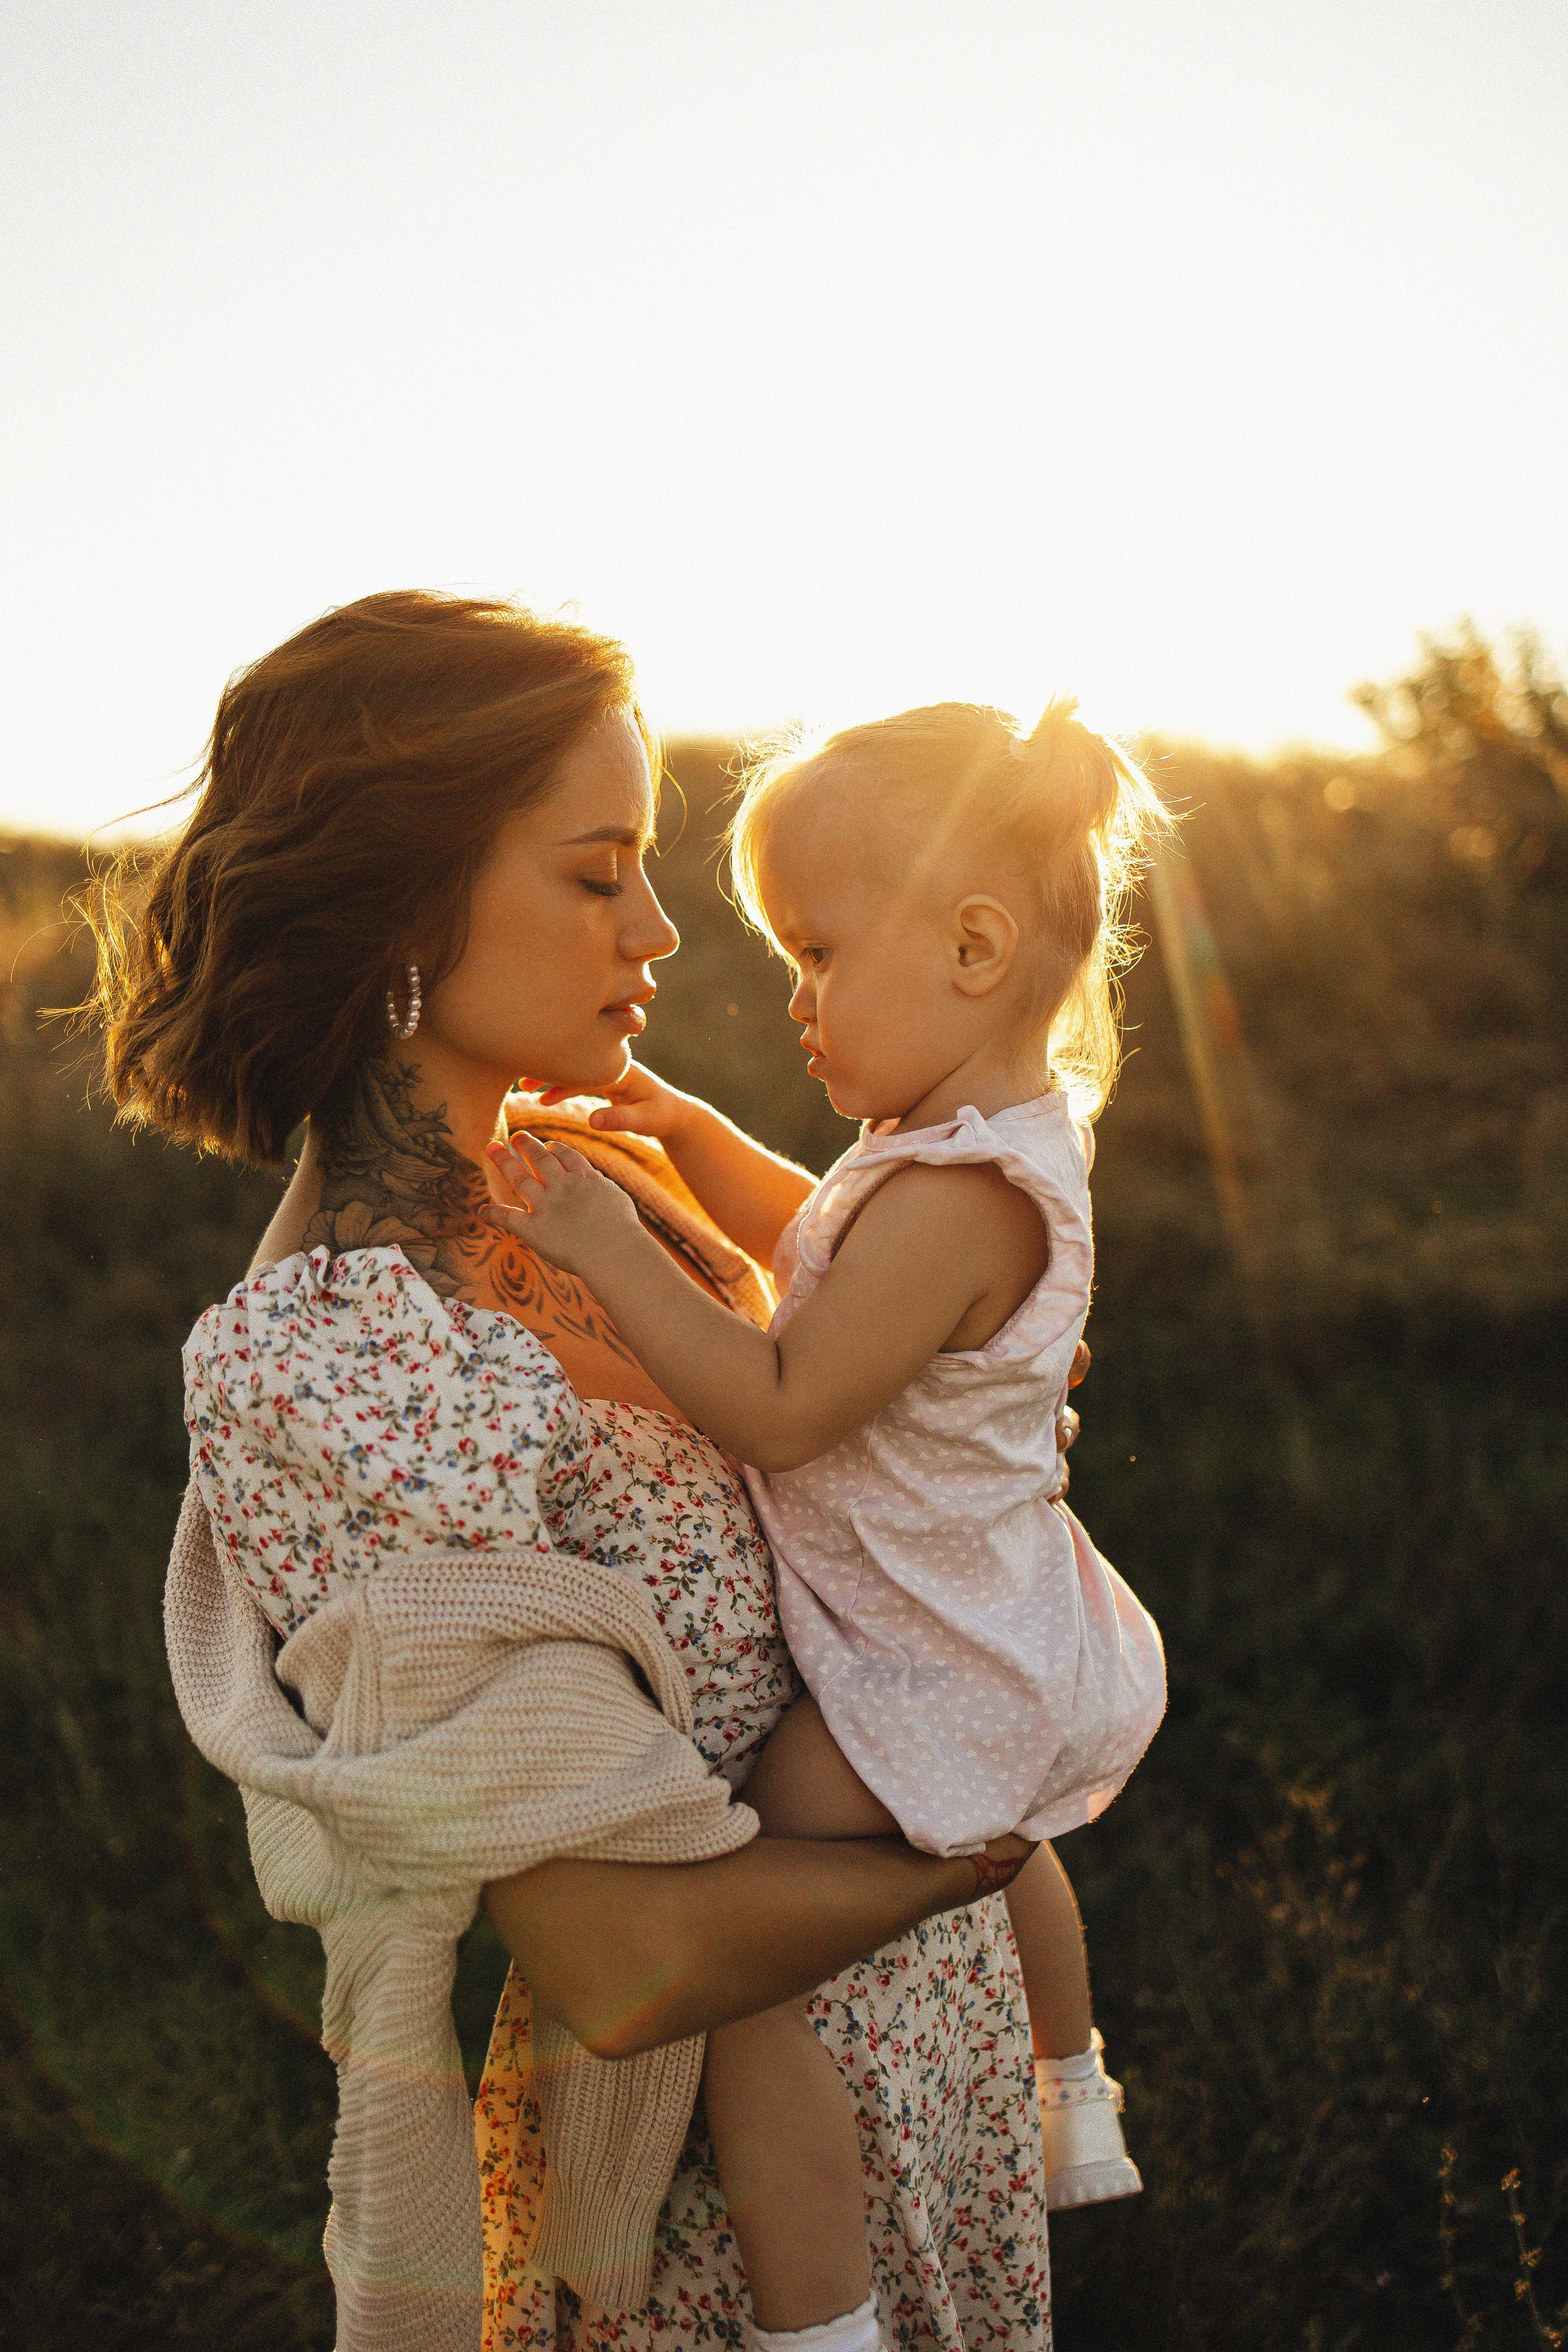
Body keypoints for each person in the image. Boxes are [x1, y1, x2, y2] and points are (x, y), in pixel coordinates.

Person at [91, 592, 1066, 2350]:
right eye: (597, 870)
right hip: (711, 2224)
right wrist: (977, 1849)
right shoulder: (345, 1364)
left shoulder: (598, 1181)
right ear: (406, 909)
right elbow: (621, 1959)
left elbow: (907, 1409)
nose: (663, 930)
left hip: (927, 2111)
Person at [484, 696, 1169, 2352]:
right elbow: (828, 1245)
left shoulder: (949, 1195)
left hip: (929, 1655)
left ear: (974, 944)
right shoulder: (975, 1148)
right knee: (1012, 1837)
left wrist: (612, 1249)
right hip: (1004, 1622)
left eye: (816, 954)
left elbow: (785, 1393)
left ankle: (823, 2320)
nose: (794, 1000)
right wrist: (692, 1135)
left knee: (740, 1956)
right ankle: (1072, 2096)